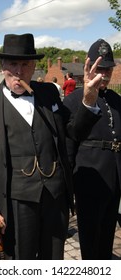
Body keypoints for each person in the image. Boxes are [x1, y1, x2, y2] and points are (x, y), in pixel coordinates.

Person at [0, 33, 103, 260]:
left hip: (55, 198)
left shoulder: (48, 93)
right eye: (13, 63)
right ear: (2, 66)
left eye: (25, 64)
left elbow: (73, 132)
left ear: (34, 67)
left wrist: (88, 100)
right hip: (14, 201)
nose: (19, 71)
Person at [63, 39, 121, 260]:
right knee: (90, 237)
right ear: (88, 66)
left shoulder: (117, 100)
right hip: (89, 179)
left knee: (107, 236)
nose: (104, 74)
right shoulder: (74, 100)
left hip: (114, 178)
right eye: (99, 68)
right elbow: (69, 144)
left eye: (107, 68)